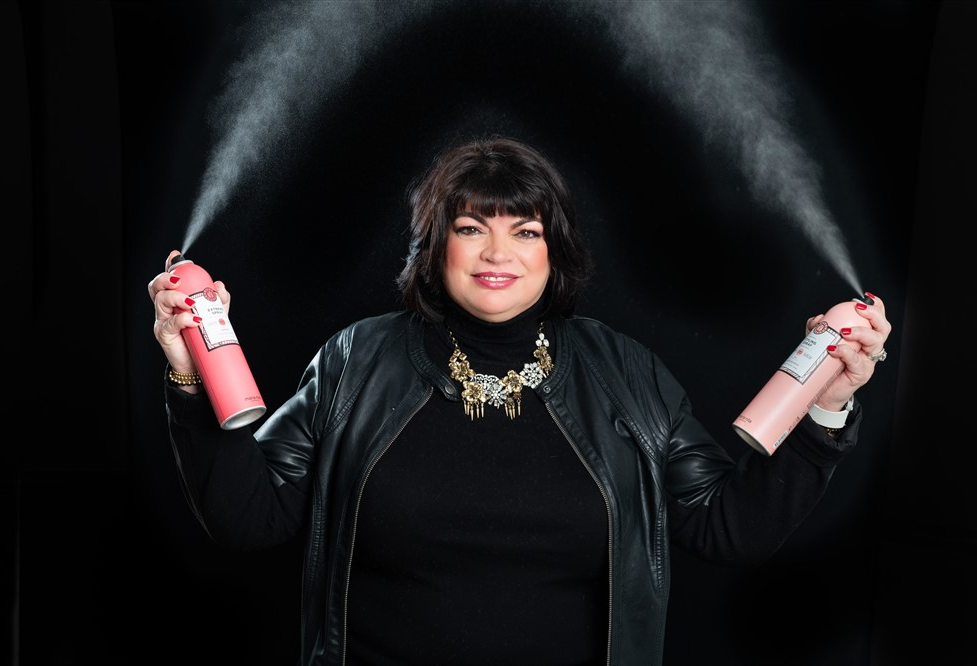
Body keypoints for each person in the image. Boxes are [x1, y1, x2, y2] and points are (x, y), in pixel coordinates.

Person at [148, 136, 891, 666]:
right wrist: (189, 378)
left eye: (524, 230)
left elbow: (727, 527)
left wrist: (826, 407)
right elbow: (248, 517)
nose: (496, 254)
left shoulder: (623, 369)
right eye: (470, 228)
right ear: (436, 247)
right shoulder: (355, 360)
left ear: (554, 251)